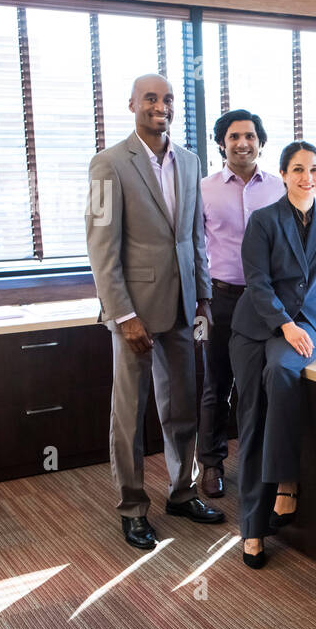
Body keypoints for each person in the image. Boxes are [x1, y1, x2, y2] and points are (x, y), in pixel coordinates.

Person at [85, 73, 224, 551]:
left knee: (182, 406)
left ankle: (182, 492)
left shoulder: (189, 161)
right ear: (132, 105)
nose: (159, 106)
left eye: (167, 99)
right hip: (134, 314)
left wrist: (203, 295)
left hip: (184, 306)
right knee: (130, 413)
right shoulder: (107, 165)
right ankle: (131, 507)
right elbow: (101, 247)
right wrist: (122, 316)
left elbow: (194, 238)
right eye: (150, 98)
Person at [229, 140, 316, 568]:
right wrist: (282, 324)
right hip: (256, 327)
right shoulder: (264, 220)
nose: (308, 177)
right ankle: (252, 528)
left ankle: (287, 483)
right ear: (284, 174)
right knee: (251, 422)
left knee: (283, 374)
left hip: (307, 325)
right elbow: (257, 281)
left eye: (314, 169)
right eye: (298, 169)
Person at [197, 109, 284, 499]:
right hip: (222, 298)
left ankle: (260, 461)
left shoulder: (280, 188)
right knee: (217, 384)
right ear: (222, 143)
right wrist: (200, 300)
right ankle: (211, 464)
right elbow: (194, 248)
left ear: (261, 143)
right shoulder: (204, 189)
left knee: (262, 385)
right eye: (234, 137)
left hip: (267, 302)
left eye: (250, 136)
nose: (242, 143)